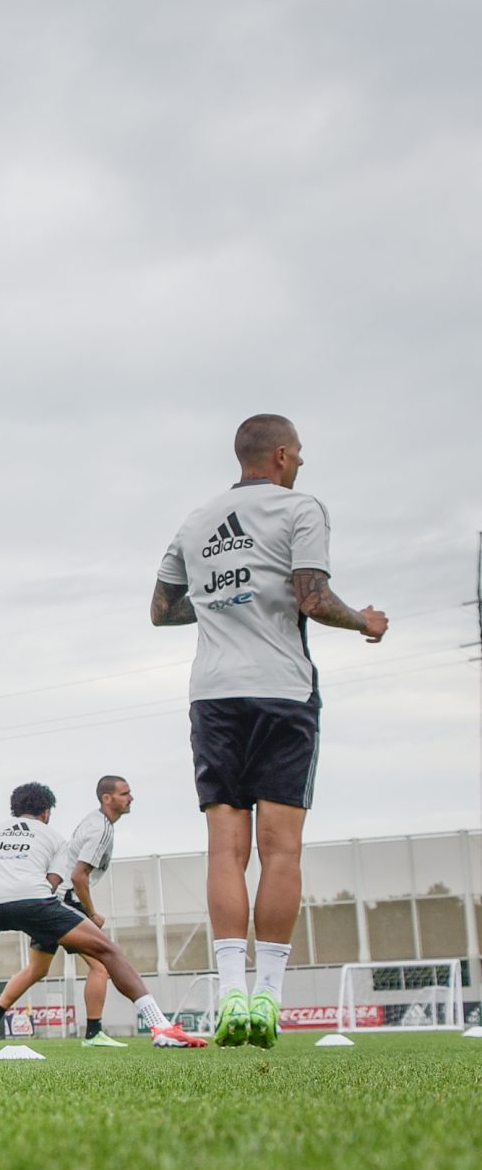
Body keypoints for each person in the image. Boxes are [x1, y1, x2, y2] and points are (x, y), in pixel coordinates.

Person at [152, 415, 384, 1047]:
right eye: (299, 452)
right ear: (281, 454)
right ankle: (268, 999)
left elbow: (162, 610)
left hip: (214, 695)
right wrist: (363, 621)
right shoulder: (302, 509)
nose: (302, 462)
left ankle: (230, 991)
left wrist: (223, 599)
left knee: (225, 850)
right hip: (282, 690)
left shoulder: (196, 521)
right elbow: (313, 598)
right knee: (281, 850)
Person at [0, 783, 205, 1049]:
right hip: (35, 901)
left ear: (14, 810)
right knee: (108, 952)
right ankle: (159, 1025)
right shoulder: (54, 837)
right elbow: (53, 883)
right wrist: (42, 916)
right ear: (46, 812)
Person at [0, 776, 135, 1045]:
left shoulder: (95, 822)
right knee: (101, 964)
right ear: (107, 798)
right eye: (125, 793)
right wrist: (91, 913)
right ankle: (93, 1033)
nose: (130, 798)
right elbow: (79, 876)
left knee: (37, 969)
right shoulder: (101, 829)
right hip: (65, 900)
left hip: (50, 897)